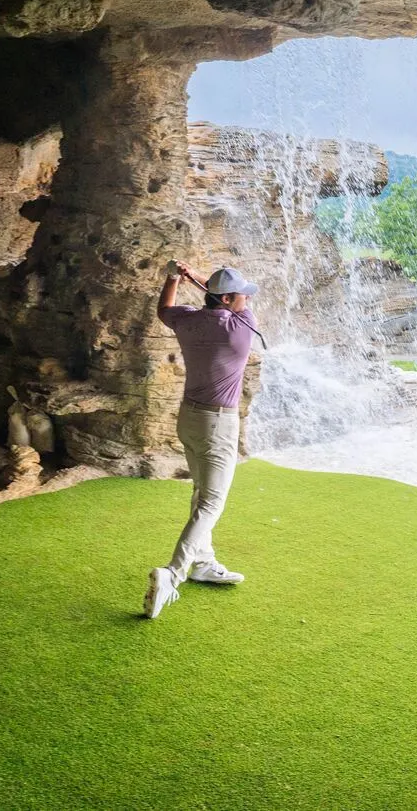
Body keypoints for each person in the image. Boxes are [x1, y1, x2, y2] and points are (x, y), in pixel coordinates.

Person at [144, 261, 257, 618]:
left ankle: (203, 562)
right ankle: (172, 574)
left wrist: (175, 278)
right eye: (240, 295)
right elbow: (237, 310)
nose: (246, 300)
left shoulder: (188, 320)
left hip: (189, 418)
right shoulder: (239, 329)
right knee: (212, 502)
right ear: (225, 298)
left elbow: (164, 309)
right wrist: (201, 283)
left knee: (200, 492)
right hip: (218, 424)